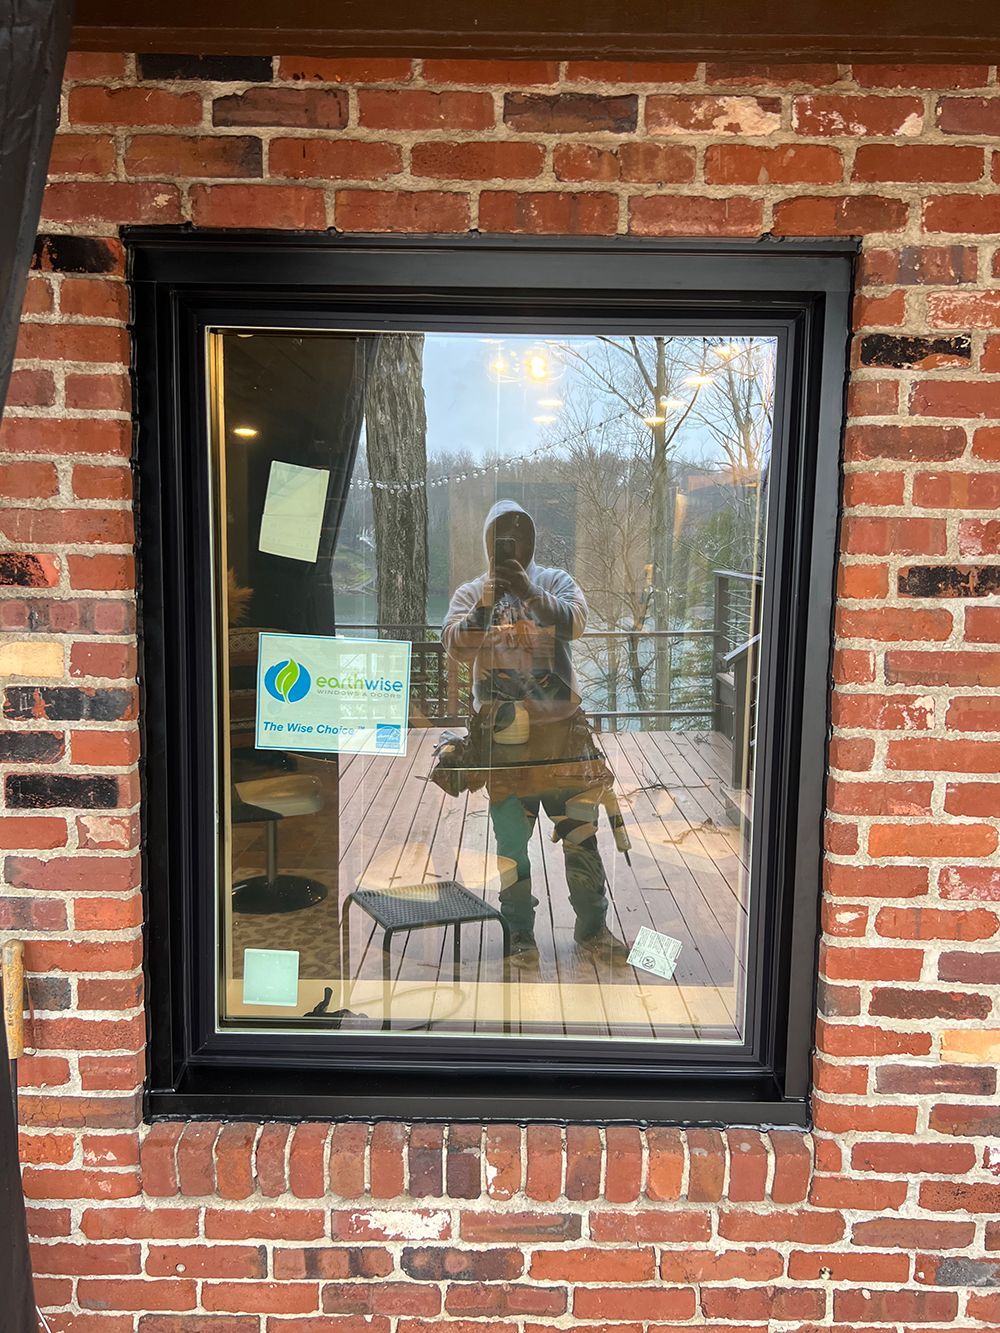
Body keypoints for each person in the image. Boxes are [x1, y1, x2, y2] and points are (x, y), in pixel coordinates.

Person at [442, 499, 629, 969]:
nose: (511, 545)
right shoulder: (471, 593)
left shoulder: (555, 583)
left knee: (581, 836)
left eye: (519, 536)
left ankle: (592, 929)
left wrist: (527, 591)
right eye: (501, 537)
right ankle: (519, 934)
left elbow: (577, 623)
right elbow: (455, 647)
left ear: (532, 540)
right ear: (488, 543)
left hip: (563, 738)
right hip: (505, 744)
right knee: (510, 848)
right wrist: (487, 605)